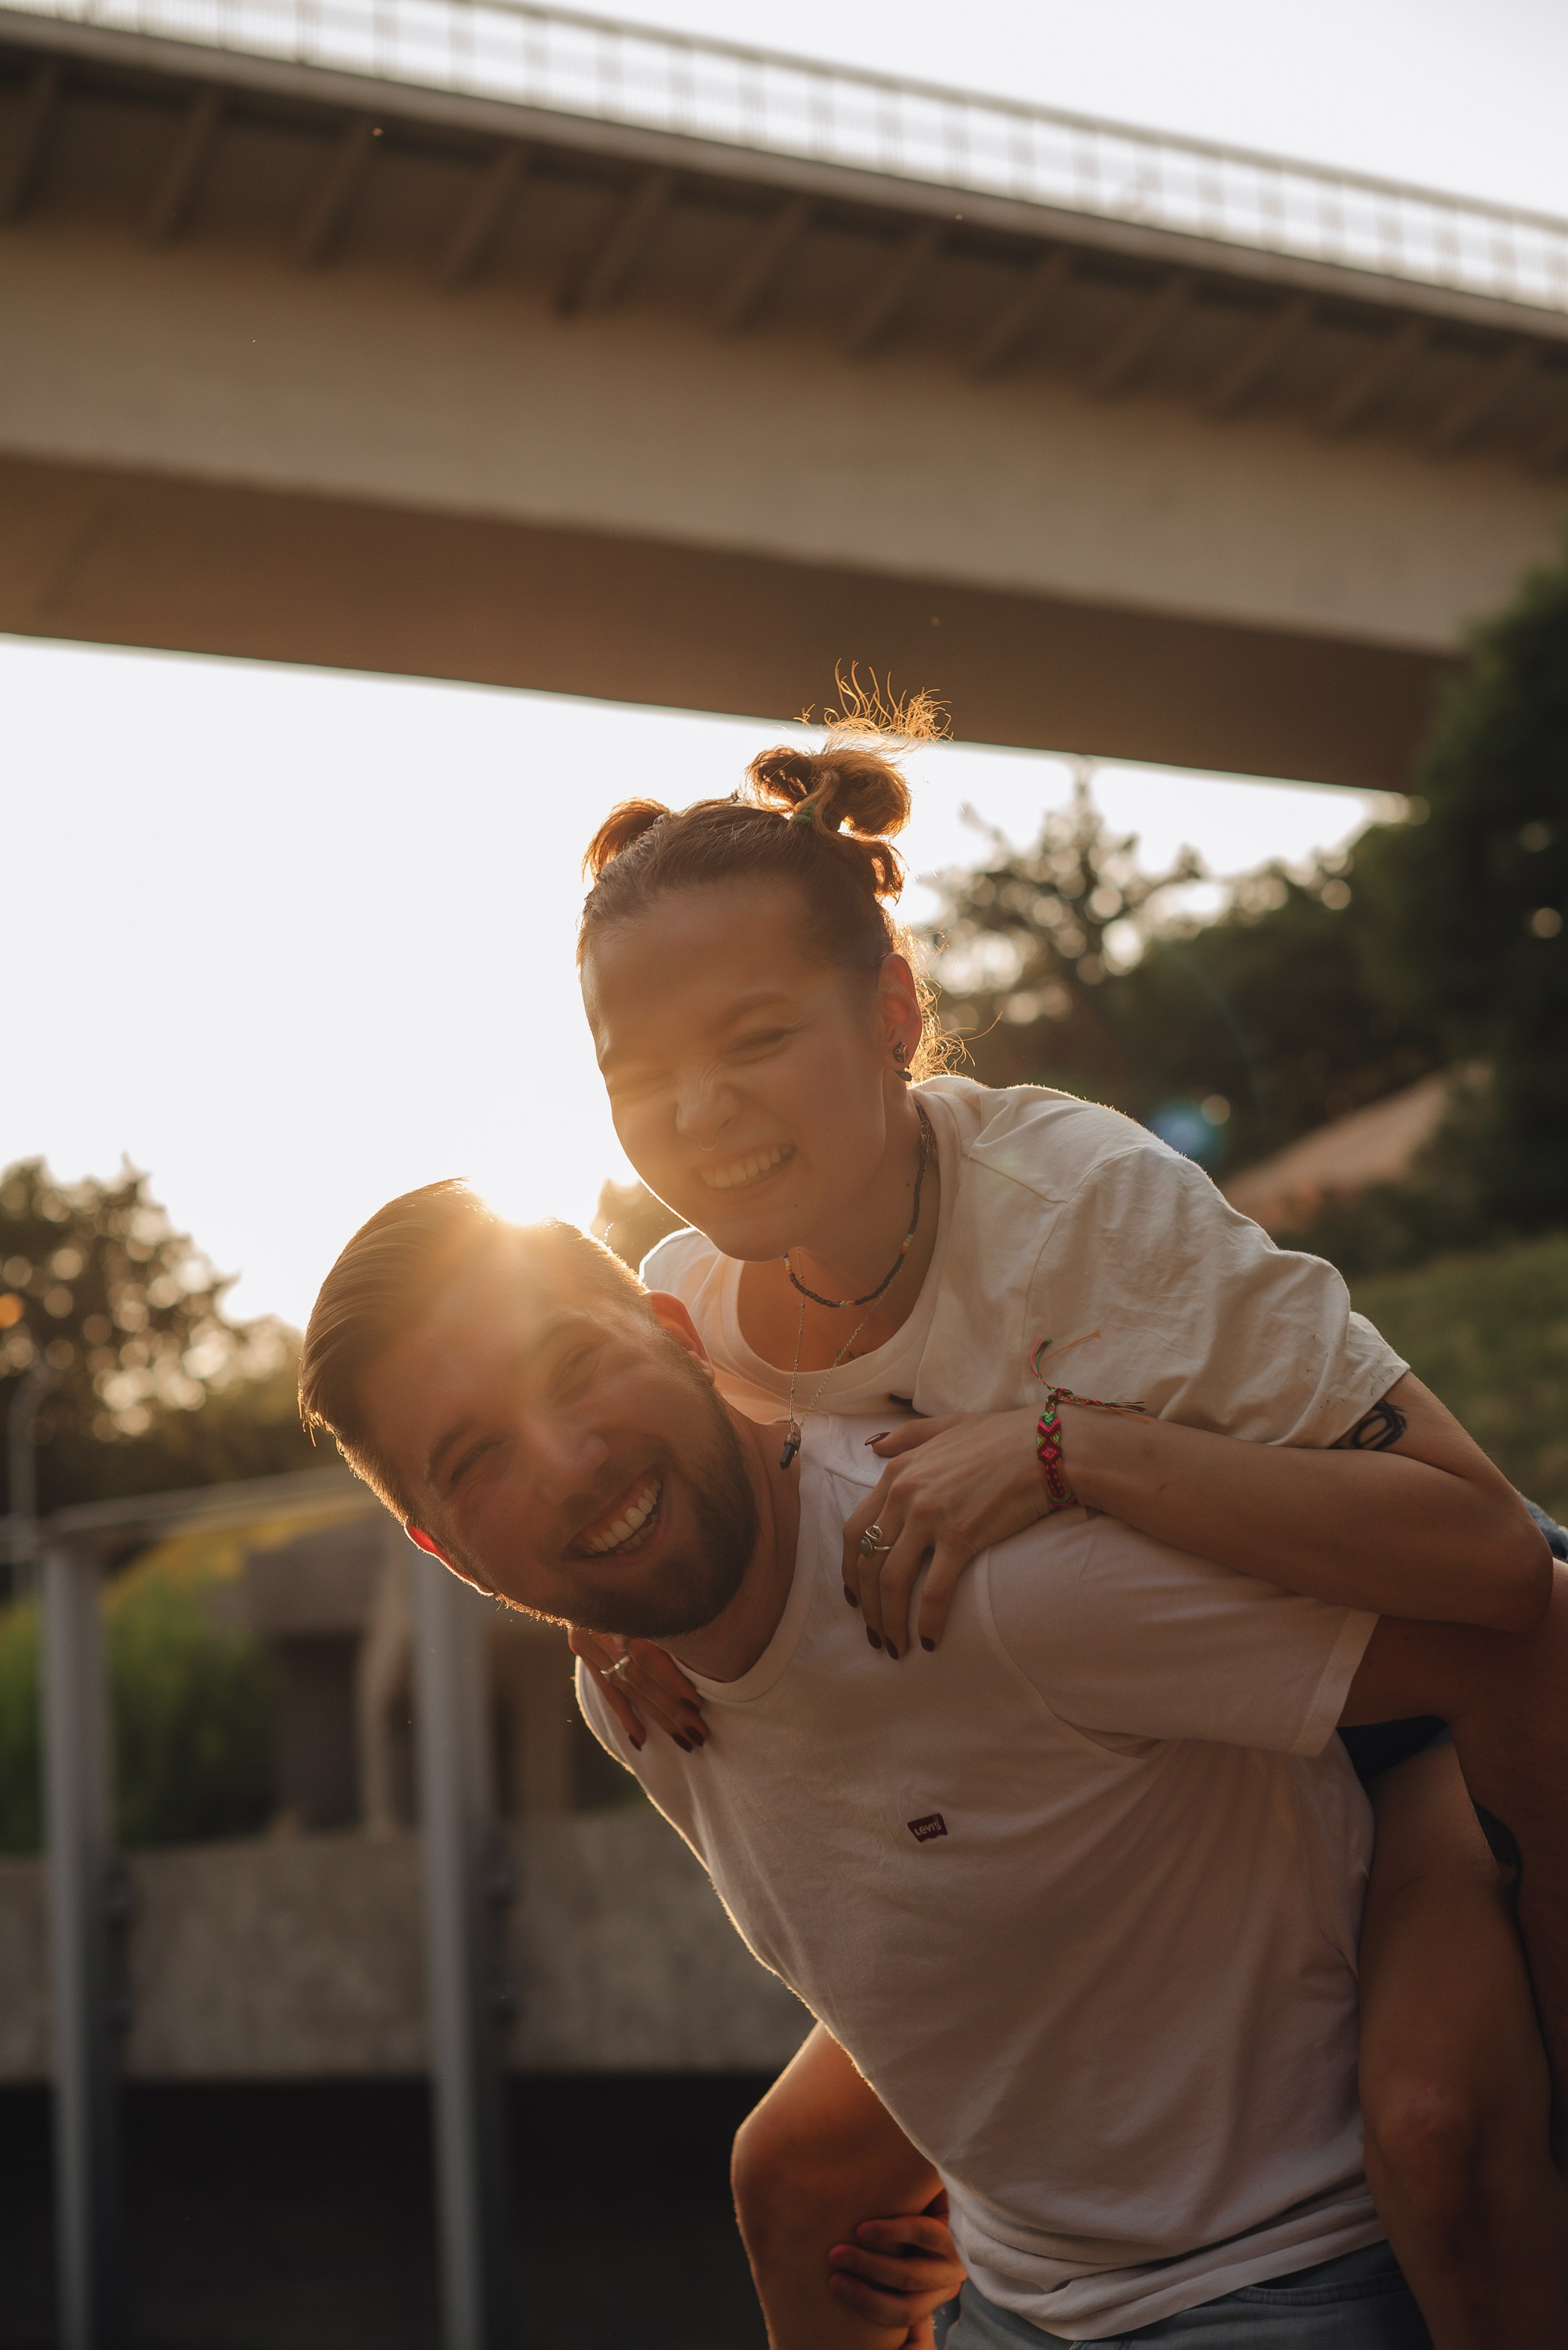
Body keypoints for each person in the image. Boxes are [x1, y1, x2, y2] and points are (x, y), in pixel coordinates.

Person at [564, 714, 1567, 2342]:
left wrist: (1060, 1449)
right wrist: (601, 1612)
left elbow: (1489, 1557)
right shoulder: (682, 1309)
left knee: (1441, 2142)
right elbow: (577, 1494)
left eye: (754, 1036)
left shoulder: (1083, 1210)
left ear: (889, 1006)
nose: (695, 1110)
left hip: (1404, 1720)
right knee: (789, 2186)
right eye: (635, 1073)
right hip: (1146, 1808)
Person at [296, 1188, 1568, 2347]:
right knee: (789, 2186)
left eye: (574, 1370)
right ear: (440, 1548)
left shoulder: (992, 1563)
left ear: (677, 1333)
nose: (568, 1463)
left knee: (1438, 2129)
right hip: (1027, 2287)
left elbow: (1516, 1609)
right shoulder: (631, 1680)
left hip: (1269, 2262)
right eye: (479, 1463)